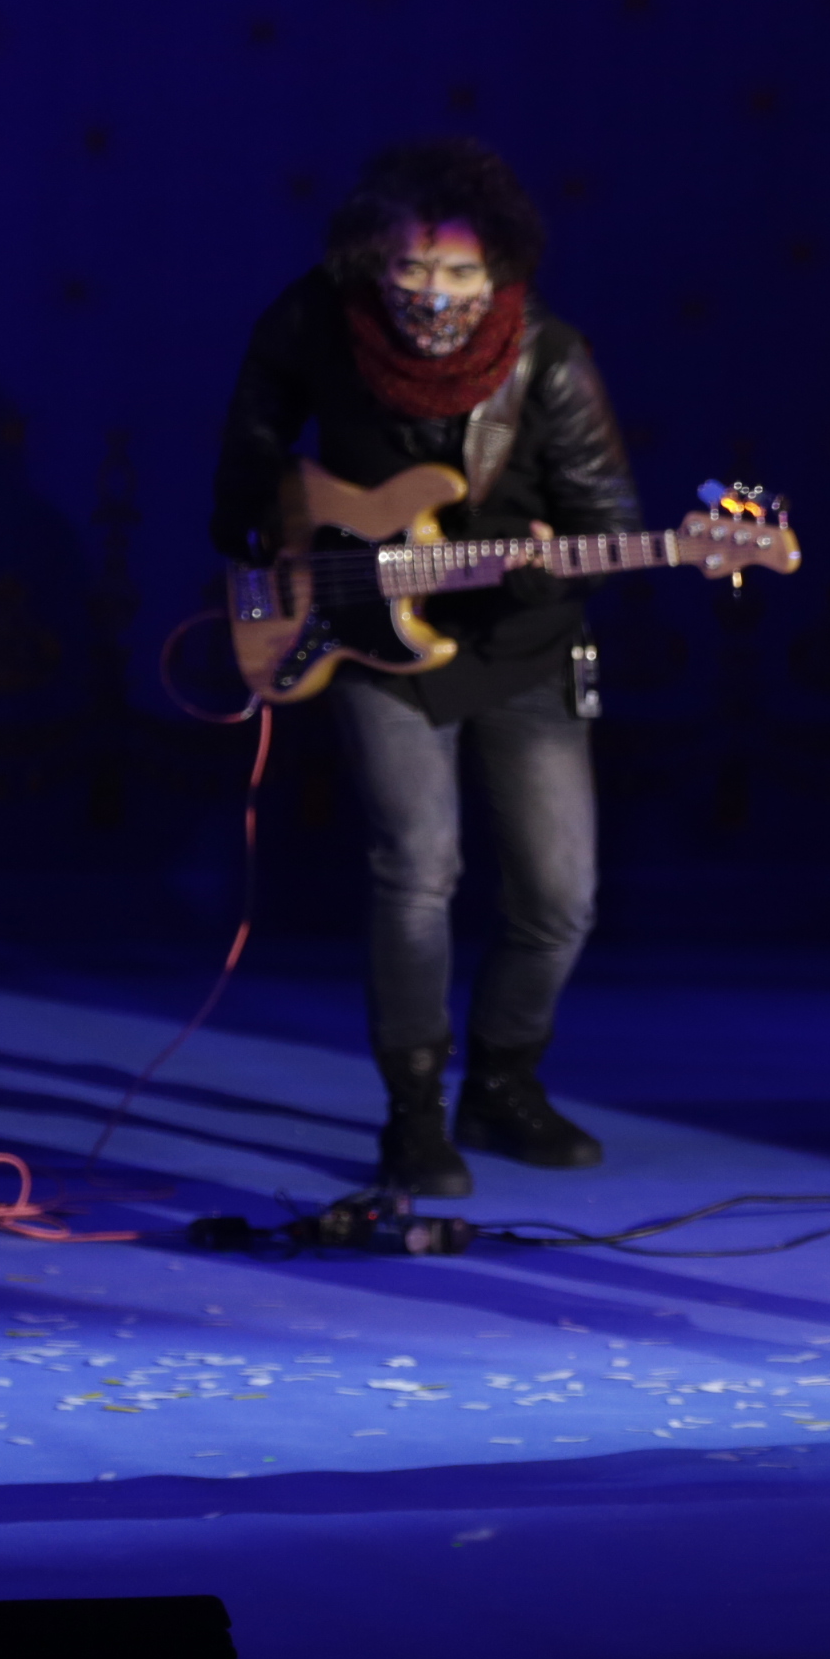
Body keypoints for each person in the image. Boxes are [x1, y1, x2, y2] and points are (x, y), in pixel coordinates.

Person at [209, 138, 721, 1197]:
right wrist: (285, 542)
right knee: (415, 869)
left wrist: (538, 571)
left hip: (522, 644)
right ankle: (413, 1114)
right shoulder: (313, 320)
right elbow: (247, 458)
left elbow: (609, 522)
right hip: (369, 636)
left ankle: (502, 1086)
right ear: (373, 257)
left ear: (500, 268)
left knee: (560, 896)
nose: (434, 295)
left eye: (459, 272)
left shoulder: (550, 357)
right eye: (412, 268)